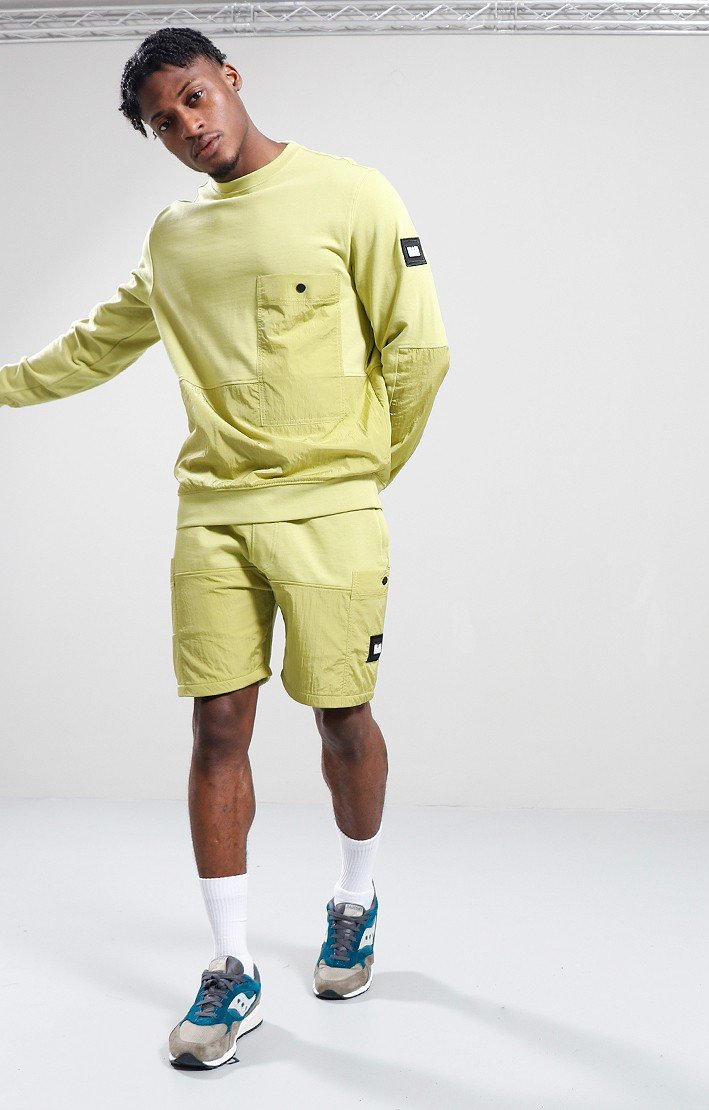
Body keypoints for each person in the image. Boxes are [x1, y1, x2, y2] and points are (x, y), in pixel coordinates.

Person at [0, 26, 450, 1070]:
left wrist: (361, 475)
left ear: (230, 78)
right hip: (212, 513)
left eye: (194, 98)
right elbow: (95, 348)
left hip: (331, 511)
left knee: (342, 718)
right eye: (164, 123)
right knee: (216, 728)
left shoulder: (352, 194)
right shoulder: (173, 237)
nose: (187, 127)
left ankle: (354, 899)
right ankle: (232, 966)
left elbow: (420, 350)